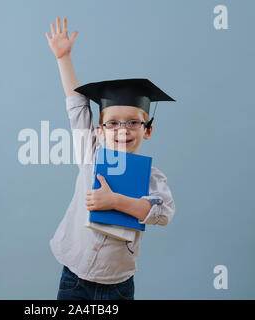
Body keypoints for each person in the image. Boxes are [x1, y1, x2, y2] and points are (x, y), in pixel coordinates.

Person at [45, 17, 176, 300]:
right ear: (99, 131)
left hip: (117, 284)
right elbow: (77, 108)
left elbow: (163, 213)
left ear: (148, 130)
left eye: (133, 123)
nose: (123, 130)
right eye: (113, 123)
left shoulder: (152, 177)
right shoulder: (90, 155)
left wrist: (115, 201)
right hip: (74, 276)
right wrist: (64, 57)